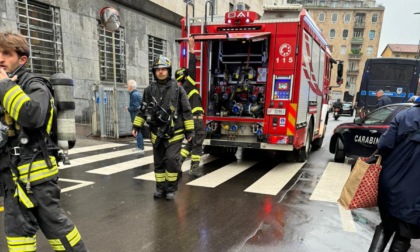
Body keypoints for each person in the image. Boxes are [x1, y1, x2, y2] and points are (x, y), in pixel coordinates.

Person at [0, 32, 87, 251]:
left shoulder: (35, 85)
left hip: (36, 177)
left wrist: (4, 86)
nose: (0, 59)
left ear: (22, 59)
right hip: (11, 176)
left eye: (7, 54)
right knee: (17, 233)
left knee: (56, 228)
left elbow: (32, 116)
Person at [132, 55, 194, 200]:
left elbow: (186, 110)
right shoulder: (149, 90)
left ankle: (170, 188)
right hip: (156, 133)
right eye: (158, 69)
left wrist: (189, 131)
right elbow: (143, 110)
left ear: (168, 70)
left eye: (163, 69)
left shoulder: (178, 90)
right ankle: (160, 188)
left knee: (172, 160)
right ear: (154, 72)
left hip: (175, 132)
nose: (160, 72)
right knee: (159, 162)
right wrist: (136, 126)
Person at [368, 96, 420, 252]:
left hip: (391, 180)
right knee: (405, 232)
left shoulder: (404, 115)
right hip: (416, 190)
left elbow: (384, 144)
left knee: (387, 223)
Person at [175, 37, 205, 177]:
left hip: (189, 121)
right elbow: (192, 68)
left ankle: (179, 161)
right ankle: (193, 169)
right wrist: (192, 48)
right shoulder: (189, 84)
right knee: (197, 144)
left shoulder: (179, 90)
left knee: (191, 143)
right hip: (197, 120)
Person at [125, 79, 145, 156]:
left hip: (136, 116)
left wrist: (128, 109)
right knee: (138, 131)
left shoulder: (133, 95)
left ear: (130, 87)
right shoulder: (137, 94)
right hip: (139, 115)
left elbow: (135, 107)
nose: (127, 87)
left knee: (137, 131)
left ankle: (140, 147)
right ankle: (140, 146)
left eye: (128, 85)